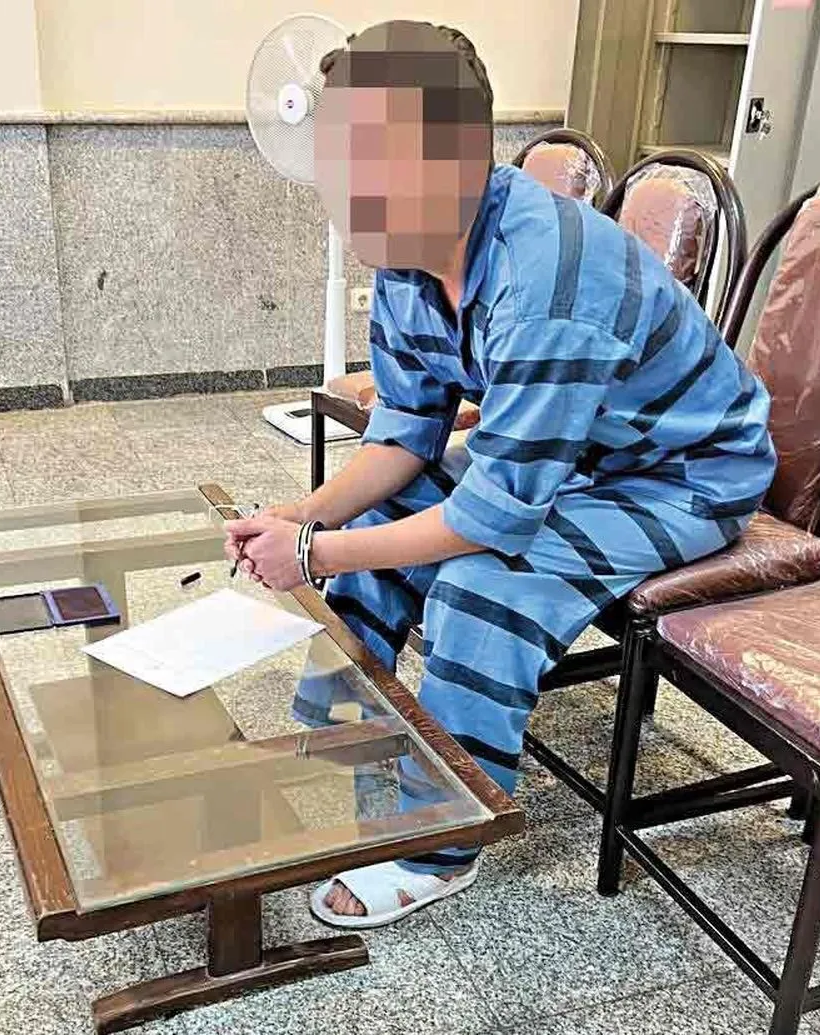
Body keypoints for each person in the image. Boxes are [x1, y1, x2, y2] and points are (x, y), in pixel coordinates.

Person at [224, 20, 775, 927]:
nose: (336, 190)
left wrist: (315, 552)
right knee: (381, 519)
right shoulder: (406, 252)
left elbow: (491, 519)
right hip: (572, 445)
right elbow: (406, 431)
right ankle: (358, 743)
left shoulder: (548, 278)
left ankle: (442, 840)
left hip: (681, 470)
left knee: (484, 587)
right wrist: (302, 513)